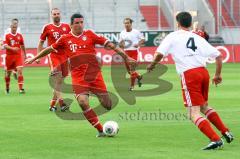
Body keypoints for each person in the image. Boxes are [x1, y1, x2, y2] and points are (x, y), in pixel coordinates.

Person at [25, 13, 129, 137]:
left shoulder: (90, 34)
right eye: (77, 23)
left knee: (107, 105)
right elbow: (49, 49)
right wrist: (34, 58)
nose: (80, 25)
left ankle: (91, 91)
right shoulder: (65, 38)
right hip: (78, 77)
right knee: (82, 102)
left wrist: (126, 57)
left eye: (81, 22)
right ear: (71, 25)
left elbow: (111, 45)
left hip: (94, 75)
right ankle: (101, 130)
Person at [147, 12, 233, 150]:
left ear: (178, 23)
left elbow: (160, 53)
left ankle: (216, 140)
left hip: (190, 75)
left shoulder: (173, 36)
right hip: (203, 73)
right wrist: (217, 75)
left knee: (193, 113)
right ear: (189, 22)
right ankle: (226, 131)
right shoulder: (196, 37)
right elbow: (218, 56)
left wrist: (152, 65)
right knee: (204, 106)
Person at [37, 8, 71, 112]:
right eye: (54, 14)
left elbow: (70, 41)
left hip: (64, 56)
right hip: (53, 56)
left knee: (59, 82)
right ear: (52, 16)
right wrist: (38, 56)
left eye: (58, 13)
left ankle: (52, 105)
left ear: (60, 15)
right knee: (58, 79)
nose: (56, 15)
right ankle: (62, 103)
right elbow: (41, 43)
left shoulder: (66, 27)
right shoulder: (47, 27)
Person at [119, 18, 145, 91]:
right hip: (126, 53)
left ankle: (132, 87)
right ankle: (139, 76)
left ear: (131, 24)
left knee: (132, 70)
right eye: (125, 23)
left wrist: (138, 44)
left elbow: (143, 39)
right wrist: (121, 45)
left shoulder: (136, 32)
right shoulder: (122, 33)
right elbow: (120, 43)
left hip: (134, 52)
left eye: (127, 23)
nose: (126, 24)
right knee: (129, 71)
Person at [3, 18, 26, 94]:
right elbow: (5, 46)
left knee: (20, 70)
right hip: (9, 56)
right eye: (13, 27)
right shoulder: (7, 35)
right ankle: (7, 88)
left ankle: (21, 89)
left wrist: (25, 54)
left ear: (17, 27)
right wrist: (13, 49)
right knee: (7, 74)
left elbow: (22, 45)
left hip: (18, 56)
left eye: (15, 27)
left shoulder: (19, 36)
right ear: (10, 27)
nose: (14, 28)